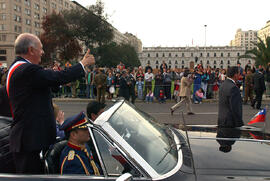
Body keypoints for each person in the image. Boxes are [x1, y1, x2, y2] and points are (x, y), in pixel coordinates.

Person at [7, 33, 95, 174]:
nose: (43, 52)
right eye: (40, 49)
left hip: (30, 140)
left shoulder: (20, 68)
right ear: (31, 50)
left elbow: (50, 83)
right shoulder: (27, 70)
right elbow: (57, 78)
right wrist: (82, 65)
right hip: (29, 141)